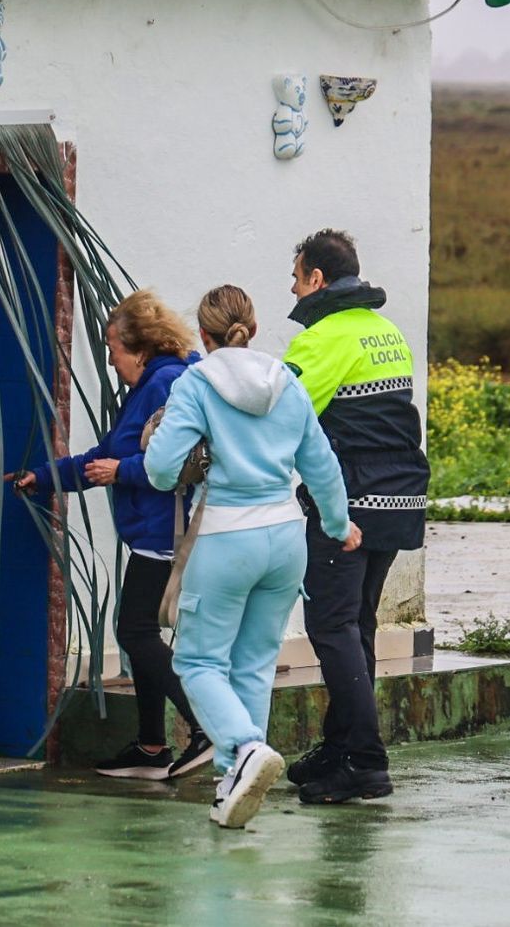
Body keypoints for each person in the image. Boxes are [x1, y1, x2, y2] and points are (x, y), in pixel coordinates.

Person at [144, 285, 360, 829]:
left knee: (197, 662)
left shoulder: (196, 383)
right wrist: (339, 525)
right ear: (254, 329)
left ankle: (243, 748)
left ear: (205, 335)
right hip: (286, 538)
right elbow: (322, 464)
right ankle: (232, 783)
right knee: (255, 664)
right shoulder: (286, 381)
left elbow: (161, 470)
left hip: (225, 537)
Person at [4, 290, 212, 781]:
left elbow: (178, 461)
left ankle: (205, 728)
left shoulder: (166, 384)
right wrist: (46, 477)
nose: (111, 361)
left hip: (165, 530)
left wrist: (122, 471)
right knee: (140, 633)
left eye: (113, 349)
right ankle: (151, 746)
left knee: (136, 631)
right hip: (151, 530)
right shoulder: (147, 386)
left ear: (139, 347)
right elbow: (108, 454)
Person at [281, 229, 430, 804]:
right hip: (399, 496)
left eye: (297, 278)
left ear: (317, 278)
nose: (293, 289)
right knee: (356, 626)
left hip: (349, 502)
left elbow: (282, 416)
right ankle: (340, 746)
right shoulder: (385, 331)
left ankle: (365, 763)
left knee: (330, 626)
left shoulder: (321, 339)